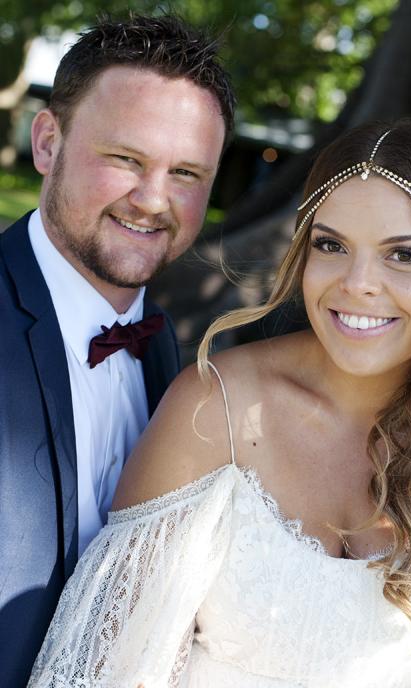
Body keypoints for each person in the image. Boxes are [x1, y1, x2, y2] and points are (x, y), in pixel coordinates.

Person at [28, 120, 411, 688]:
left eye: (403, 256)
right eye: (330, 245)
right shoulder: (217, 406)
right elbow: (100, 665)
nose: (358, 283)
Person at [0, 13, 235, 687]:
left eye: (187, 172)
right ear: (48, 142)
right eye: (126, 159)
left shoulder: (176, 366)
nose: (154, 199)